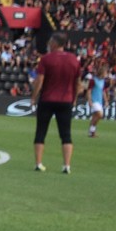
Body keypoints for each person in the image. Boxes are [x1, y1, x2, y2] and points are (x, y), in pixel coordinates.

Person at [30, 32, 84, 174]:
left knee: (41, 132)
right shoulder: (73, 60)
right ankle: (66, 165)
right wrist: (74, 99)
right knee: (66, 134)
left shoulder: (46, 59)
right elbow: (78, 83)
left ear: (54, 43)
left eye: (50, 41)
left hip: (47, 99)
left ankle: (38, 163)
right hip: (66, 100)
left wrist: (33, 97)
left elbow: (40, 80)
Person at [86, 60, 109, 138]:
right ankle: (92, 130)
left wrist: (106, 101)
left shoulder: (103, 81)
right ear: (102, 73)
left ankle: (91, 132)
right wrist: (89, 101)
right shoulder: (93, 80)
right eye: (106, 73)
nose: (106, 74)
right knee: (100, 114)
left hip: (100, 101)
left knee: (95, 117)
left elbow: (103, 91)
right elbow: (89, 91)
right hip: (94, 101)